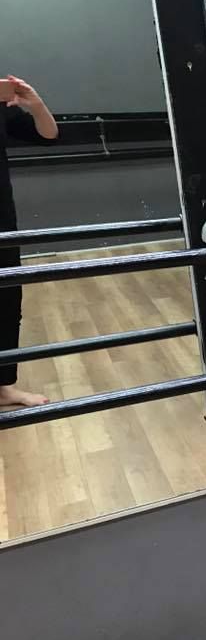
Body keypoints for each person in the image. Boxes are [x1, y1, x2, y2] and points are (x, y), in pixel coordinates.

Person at [0, 75, 57, 407]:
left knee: (7, 301)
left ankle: (2, 386)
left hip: (1, 219)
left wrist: (36, 105)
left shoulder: (2, 106)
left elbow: (48, 135)